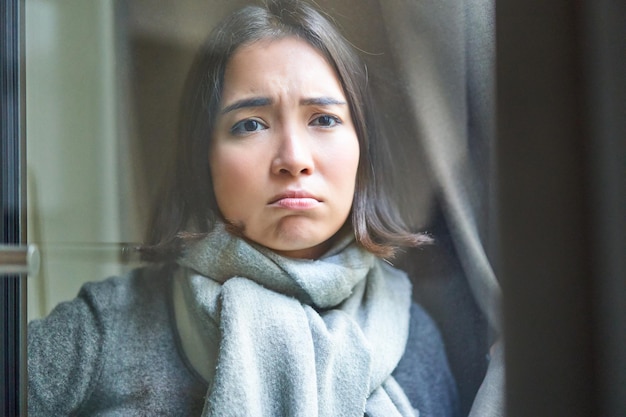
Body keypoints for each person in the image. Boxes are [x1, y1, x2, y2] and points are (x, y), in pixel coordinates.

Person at [28, 1, 459, 416]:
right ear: (204, 158)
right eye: (250, 124)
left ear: (361, 148)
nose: (293, 158)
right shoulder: (110, 327)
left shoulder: (414, 336)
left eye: (323, 119)